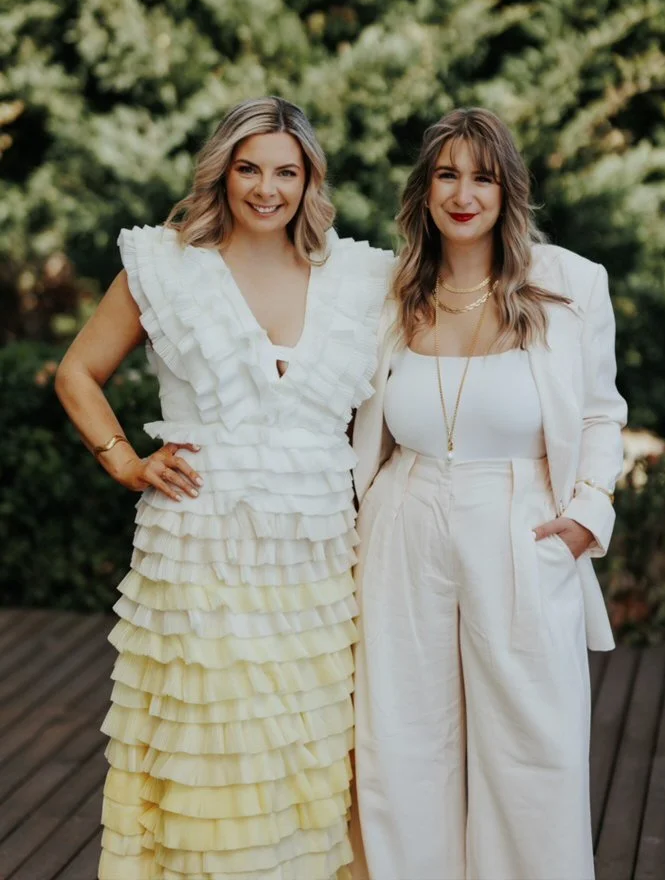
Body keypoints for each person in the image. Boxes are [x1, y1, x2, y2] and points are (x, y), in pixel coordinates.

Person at [55, 96, 392, 880]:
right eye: (249, 168)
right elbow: (78, 372)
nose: (266, 188)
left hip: (315, 570)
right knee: (212, 754)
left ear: (311, 179)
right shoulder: (165, 265)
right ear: (223, 172)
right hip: (199, 554)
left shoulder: (361, 276)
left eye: (285, 171)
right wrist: (124, 459)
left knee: (303, 756)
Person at [351, 107, 627, 880]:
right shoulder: (389, 290)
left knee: (533, 743)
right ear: (424, 189)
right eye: (446, 174)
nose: (463, 193)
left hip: (522, 521)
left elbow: (604, 411)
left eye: (483, 176)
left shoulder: (569, 284)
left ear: (509, 190)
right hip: (402, 519)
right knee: (403, 739)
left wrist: (586, 514)